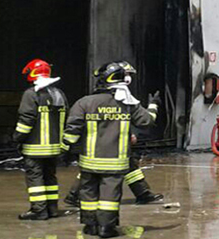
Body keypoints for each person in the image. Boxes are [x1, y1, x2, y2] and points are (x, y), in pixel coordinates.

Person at [63, 61, 158, 238]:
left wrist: (64, 151)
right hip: (115, 162)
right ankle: (107, 228)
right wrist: (153, 105)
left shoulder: (84, 103)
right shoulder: (128, 104)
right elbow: (147, 121)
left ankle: (90, 226)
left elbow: (72, 132)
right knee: (110, 196)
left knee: (88, 193)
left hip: (89, 162)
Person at [12, 58, 70, 220]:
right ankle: (52, 209)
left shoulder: (31, 94)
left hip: (35, 147)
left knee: (35, 178)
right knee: (50, 177)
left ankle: (39, 210)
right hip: (54, 147)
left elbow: (26, 120)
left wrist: (17, 138)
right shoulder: (59, 94)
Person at [63, 136, 164, 209]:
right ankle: (74, 195)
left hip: (109, 138)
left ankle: (142, 192)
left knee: (128, 163)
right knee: (91, 169)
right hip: (104, 139)